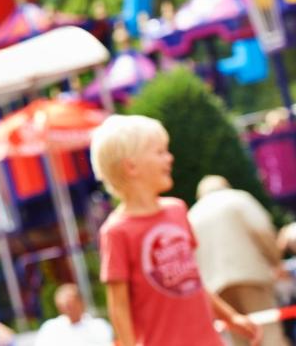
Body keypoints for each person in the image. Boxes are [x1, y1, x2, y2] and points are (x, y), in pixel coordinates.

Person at [90, 114, 262, 346]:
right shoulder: (116, 231)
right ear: (131, 167)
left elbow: (193, 281)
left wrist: (231, 317)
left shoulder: (177, 210)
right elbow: (118, 305)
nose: (170, 158)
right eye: (160, 152)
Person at [189, 175, 288, 346]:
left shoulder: (192, 215)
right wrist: (276, 261)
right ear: (226, 185)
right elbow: (262, 231)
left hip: (216, 287)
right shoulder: (239, 199)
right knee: (268, 333)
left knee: (239, 338)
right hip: (251, 275)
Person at [34, 283, 113, 345]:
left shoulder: (99, 326)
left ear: (81, 303)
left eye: (72, 306)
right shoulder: (50, 328)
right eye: (65, 307)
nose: (69, 310)